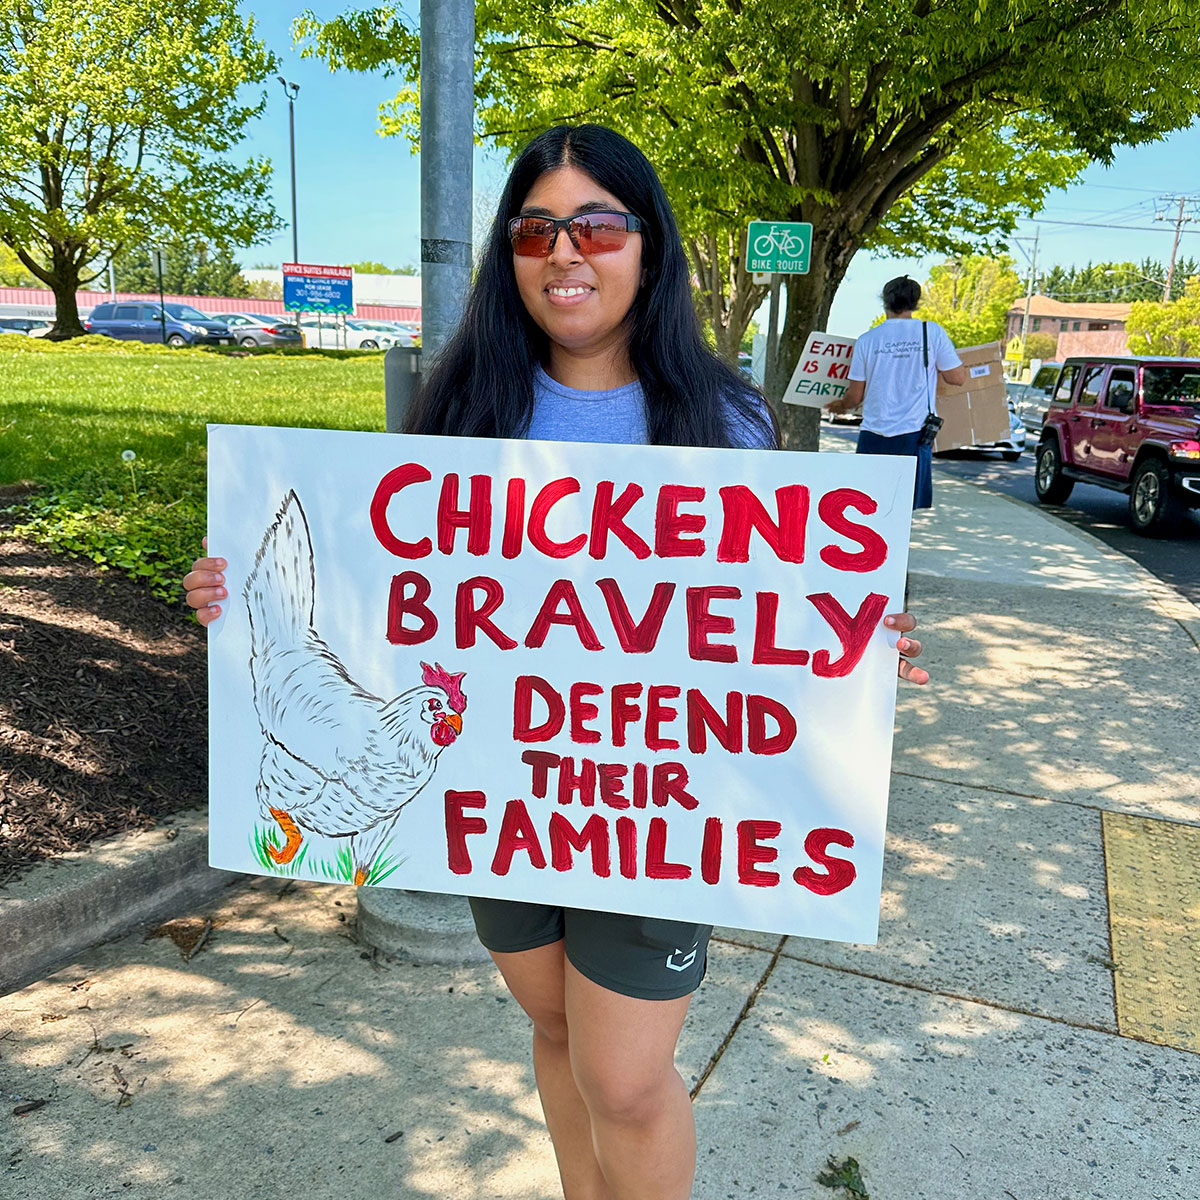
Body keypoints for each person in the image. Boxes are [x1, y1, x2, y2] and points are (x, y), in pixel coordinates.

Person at [183, 124, 928, 1200]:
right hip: (503, 798)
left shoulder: (725, 420)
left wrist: (860, 640)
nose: (565, 253)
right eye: (536, 230)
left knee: (626, 1079)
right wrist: (234, 592)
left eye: (597, 226)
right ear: (510, 254)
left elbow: (781, 614)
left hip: (659, 802)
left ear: (648, 246)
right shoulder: (461, 409)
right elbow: (377, 596)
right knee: (559, 1032)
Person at [826, 275, 966, 509]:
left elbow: (854, 397)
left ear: (885, 302)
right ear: (915, 303)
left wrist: (838, 405)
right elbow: (956, 378)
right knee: (903, 508)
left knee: (868, 504)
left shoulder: (867, 340)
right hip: (914, 435)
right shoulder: (931, 333)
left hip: (873, 436)